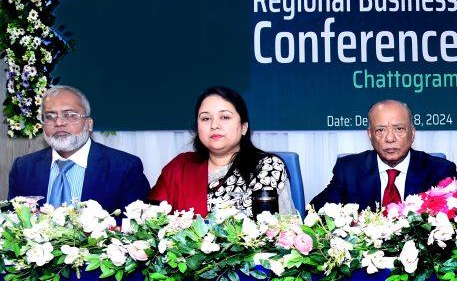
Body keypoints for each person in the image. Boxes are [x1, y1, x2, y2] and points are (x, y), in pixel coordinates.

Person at [149, 86, 296, 217]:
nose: (214, 125)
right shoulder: (179, 167)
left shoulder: (266, 166)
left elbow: (273, 230)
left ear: (243, 127)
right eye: (206, 118)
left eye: (225, 117)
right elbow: (150, 225)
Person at [7, 85, 150, 213]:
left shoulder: (124, 167)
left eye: (69, 115)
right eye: (50, 116)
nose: (59, 122)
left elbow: (134, 225)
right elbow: (13, 222)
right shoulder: (23, 167)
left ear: (89, 124)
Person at [310, 100, 457, 211]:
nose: (390, 138)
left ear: (412, 133)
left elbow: (453, 220)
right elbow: (315, 213)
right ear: (370, 135)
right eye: (380, 130)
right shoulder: (348, 170)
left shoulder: (439, 170)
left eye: (399, 129)